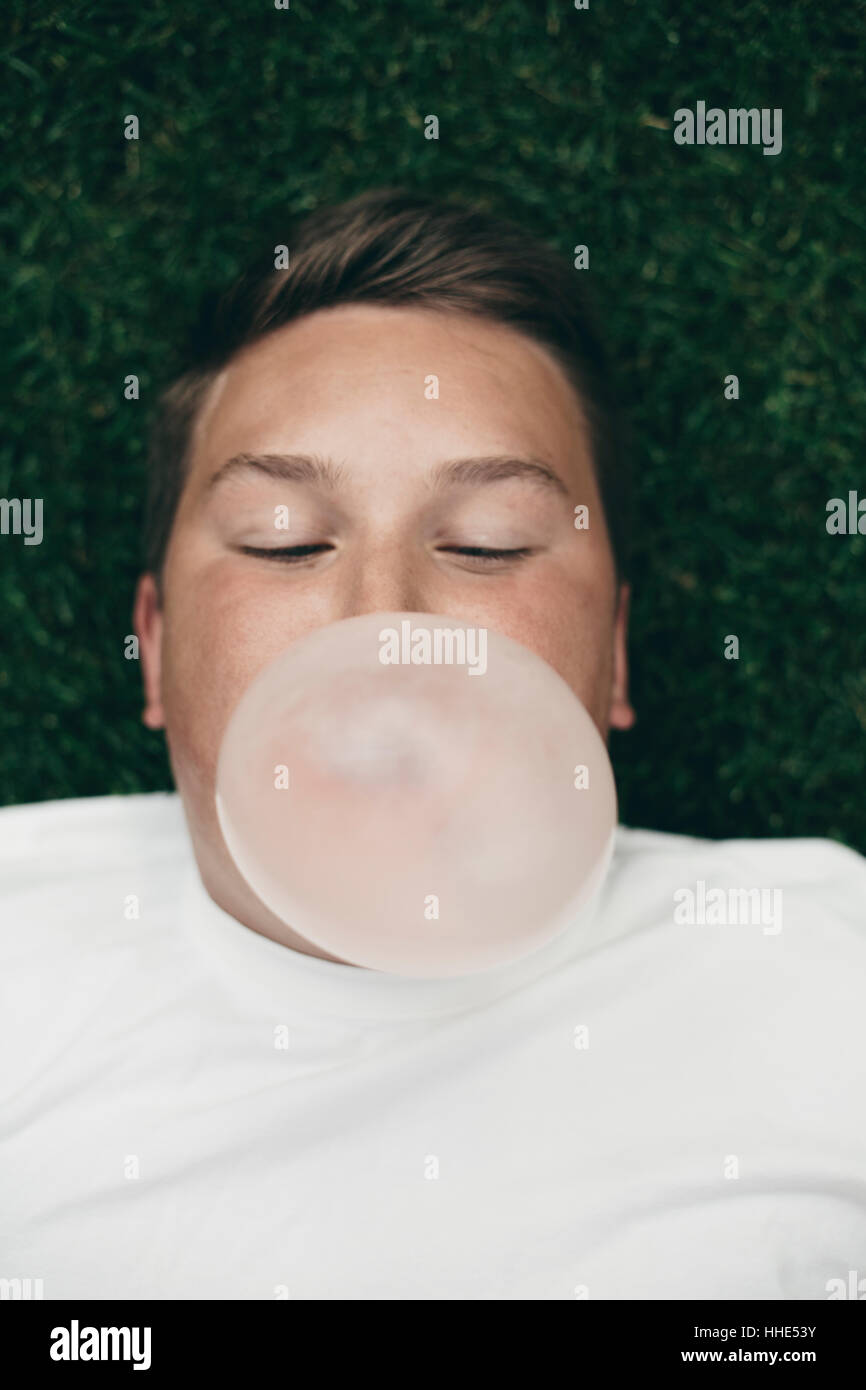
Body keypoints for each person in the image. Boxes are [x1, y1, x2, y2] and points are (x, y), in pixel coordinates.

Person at [2, 189, 864, 1301]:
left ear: (612, 657)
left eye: (487, 543)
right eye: (284, 541)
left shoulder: (824, 971)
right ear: (155, 650)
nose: (384, 616)